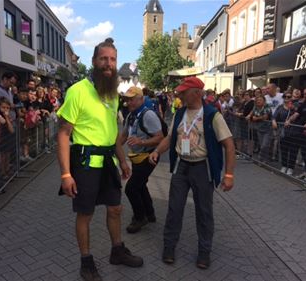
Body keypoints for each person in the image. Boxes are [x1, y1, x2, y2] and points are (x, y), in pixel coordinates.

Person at [57, 38, 143, 281]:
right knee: (85, 214)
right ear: (94, 61)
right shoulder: (78, 91)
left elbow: (113, 132)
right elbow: (63, 135)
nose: (109, 63)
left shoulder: (112, 94)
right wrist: (66, 174)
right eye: (104, 59)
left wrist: (123, 160)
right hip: (85, 165)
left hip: (109, 163)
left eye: (113, 59)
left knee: (115, 208)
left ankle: (117, 251)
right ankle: (86, 261)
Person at [149, 76, 235, 269]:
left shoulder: (213, 115)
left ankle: (204, 253)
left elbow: (229, 145)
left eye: (183, 92)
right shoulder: (180, 114)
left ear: (196, 93)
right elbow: (170, 138)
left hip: (202, 168)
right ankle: (169, 247)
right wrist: (156, 151)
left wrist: (228, 175)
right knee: (174, 209)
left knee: (204, 212)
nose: (179, 95)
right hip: (182, 166)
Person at [118, 86, 164, 234]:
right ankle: (150, 214)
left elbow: (160, 138)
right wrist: (113, 149)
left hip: (149, 157)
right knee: (141, 185)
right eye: (127, 99)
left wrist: (141, 142)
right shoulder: (131, 115)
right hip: (137, 157)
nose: (128, 103)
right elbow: (123, 136)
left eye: (132, 99)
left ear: (141, 99)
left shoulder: (148, 115)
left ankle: (140, 217)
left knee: (131, 188)